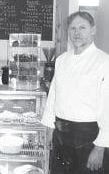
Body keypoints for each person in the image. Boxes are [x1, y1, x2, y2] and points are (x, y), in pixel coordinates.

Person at [41, 11, 109, 174]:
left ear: (93, 29)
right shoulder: (62, 60)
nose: (76, 33)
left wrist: (100, 148)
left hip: (89, 138)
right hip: (61, 135)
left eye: (82, 28)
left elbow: (107, 106)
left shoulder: (103, 61)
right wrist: (49, 127)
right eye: (72, 28)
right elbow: (54, 96)